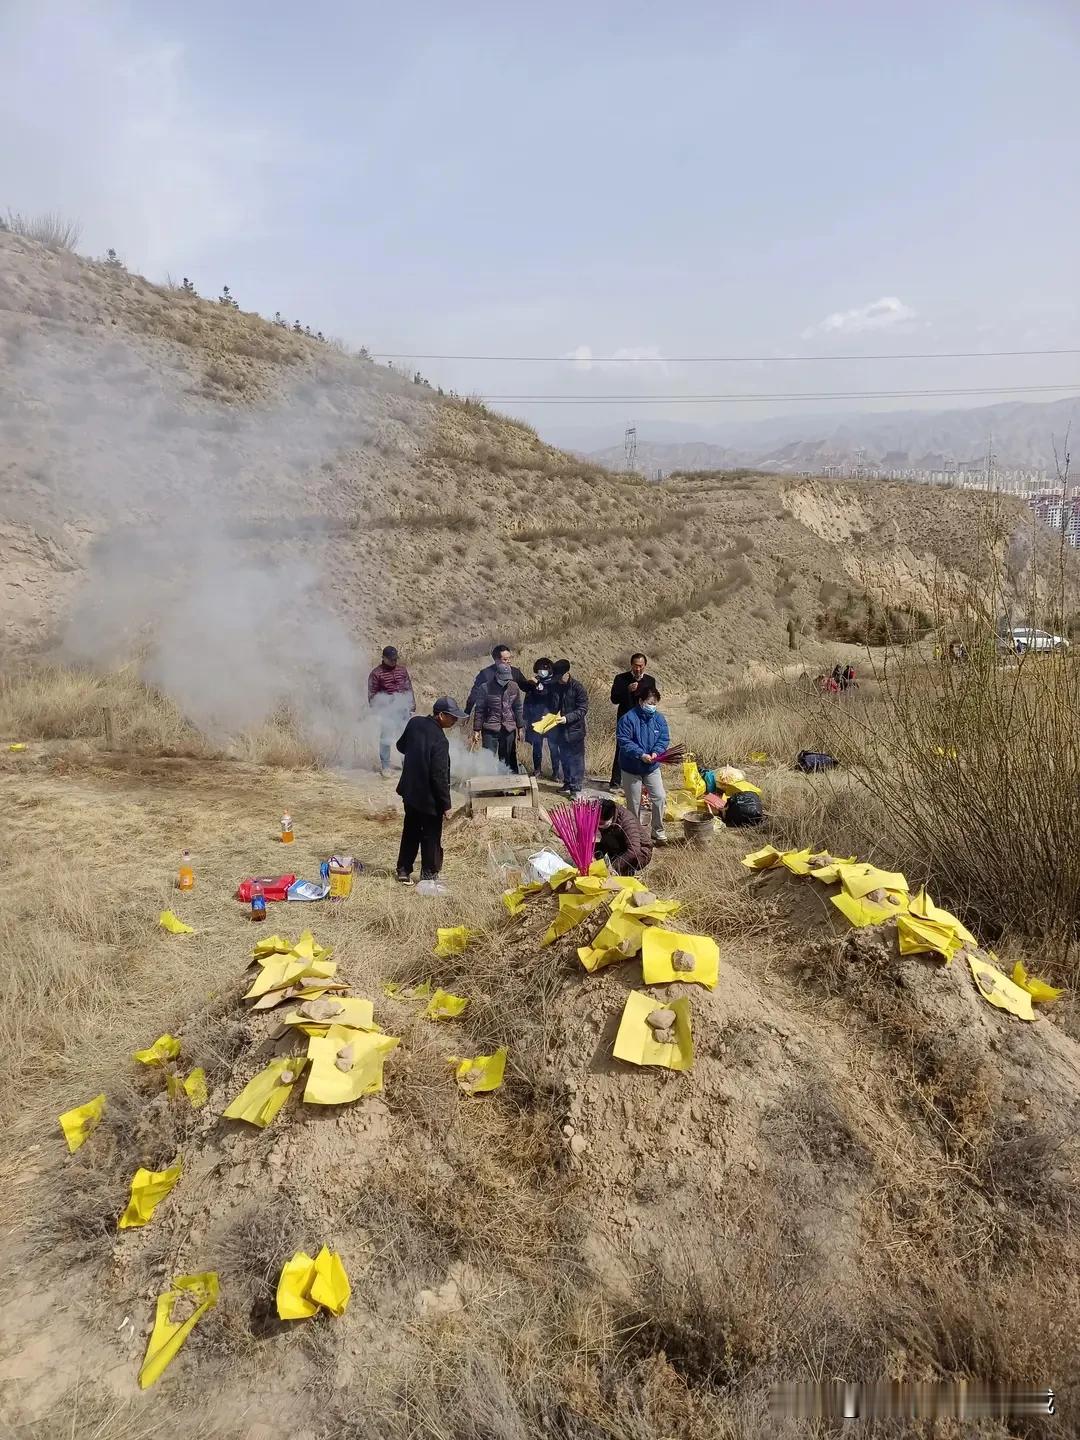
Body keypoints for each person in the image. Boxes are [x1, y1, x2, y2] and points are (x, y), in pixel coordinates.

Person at [394, 696, 464, 895]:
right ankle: (429, 874)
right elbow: (439, 775)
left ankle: (403, 870)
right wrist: (446, 804)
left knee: (410, 830)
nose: (455, 721)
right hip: (429, 797)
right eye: (452, 717)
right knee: (431, 836)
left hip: (410, 791)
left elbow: (401, 747)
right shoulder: (441, 740)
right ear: (441, 715)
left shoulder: (414, 723)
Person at [616, 685, 670, 844]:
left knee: (660, 797)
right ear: (640, 701)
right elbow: (624, 741)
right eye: (649, 702)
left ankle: (657, 831)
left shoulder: (659, 719)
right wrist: (641, 754)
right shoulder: (628, 719)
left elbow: (663, 739)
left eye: (655, 703)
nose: (652, 706)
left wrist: (656, 752)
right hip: (631, 767)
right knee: (634, 803)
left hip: (651, 767)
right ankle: (636, 835)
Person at [608, 653, 658, 790]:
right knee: (622, 749)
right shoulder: (621, 679)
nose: (638, 669)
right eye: (635, 666)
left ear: (645, 666)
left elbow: (653, 701)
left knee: (643, 750)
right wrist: (627, 690)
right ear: (631, 665)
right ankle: (616, 781)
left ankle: (640, 782)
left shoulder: (650, 681)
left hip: (643, 722)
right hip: (625, 722)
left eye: (641, 666)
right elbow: (614, 699)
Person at [367, 645, 414, 776]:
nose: (394, 661)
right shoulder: (376, 674)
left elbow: (408, 688)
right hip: (387, 712)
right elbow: (372, 695)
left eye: (395, 659)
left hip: (403, 710)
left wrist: (412, 706)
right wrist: (378, 710)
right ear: (383, 658)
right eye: (391, 659)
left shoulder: (402, 671)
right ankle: (386, 766)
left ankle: (407, 765)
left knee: (406, 738)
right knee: (386, 738)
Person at [471, 662, 524, 770]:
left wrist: (520, 727)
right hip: (490, 727)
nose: (505, 681)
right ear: (497, 675)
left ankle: (508, 782)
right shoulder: (485, 688)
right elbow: (479, 710)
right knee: (488, 758)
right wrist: (477, 730)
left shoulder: (514, 687)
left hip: (508, 728)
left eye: (507, 679)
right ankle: (489, 782)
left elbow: (518, 708)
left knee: (507, 759)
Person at [551, 658, 588, 797]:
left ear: (567, 673)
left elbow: (583, 709)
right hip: (559, 730)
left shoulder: (578, 688)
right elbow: (552, 705)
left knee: (576, 760)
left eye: (560, 677)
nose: (559, 680)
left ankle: (575, 788)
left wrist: (567, 718)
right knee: (564, 757)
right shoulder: (556, 686)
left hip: (575, 731)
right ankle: (567, 782)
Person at [465, 643, 531, 715]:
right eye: (505, 659)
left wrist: (534, 684)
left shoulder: (515, 672)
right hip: (491, 717)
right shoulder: (485, 674)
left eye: (509, 658)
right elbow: (474, 694)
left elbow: (526, 688)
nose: (509, 661)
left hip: (510, 717)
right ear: (496, 660)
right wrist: (467, 712)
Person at [523, 657, 561, 781]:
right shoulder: (534, 682)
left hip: (551, 719)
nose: (541, 671)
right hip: (536, 718)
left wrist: (538, 685)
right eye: (539, 669)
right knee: (537, 745)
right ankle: (537, 770)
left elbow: (551, 698)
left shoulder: (555, 682)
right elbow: (527, 700)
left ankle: (556, 772)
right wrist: (525, 718)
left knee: (553, 746)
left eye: (544, 668)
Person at [595, 797, 653, 875]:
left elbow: (633, 850)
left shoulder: (627, 820)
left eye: (601, 824)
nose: (598, 826)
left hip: (638, 851)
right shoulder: (597, 813)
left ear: (611, 818)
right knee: (595, 849)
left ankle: (626, 871)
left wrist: (614, 867)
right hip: (617, 843)